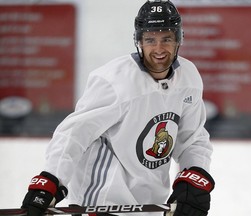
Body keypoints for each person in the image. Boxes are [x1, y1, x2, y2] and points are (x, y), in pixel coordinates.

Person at [21, 0, 215, 215]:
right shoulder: (114, 81)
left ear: (179, 40)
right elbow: (74, 133)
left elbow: (192, 139)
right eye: (150, 39)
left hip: (150, 204)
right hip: (101, 199)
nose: (159, 48)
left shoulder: (189, 79)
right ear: (138, 41)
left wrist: (194, 177)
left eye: (166, 39)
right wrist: (51, 179)